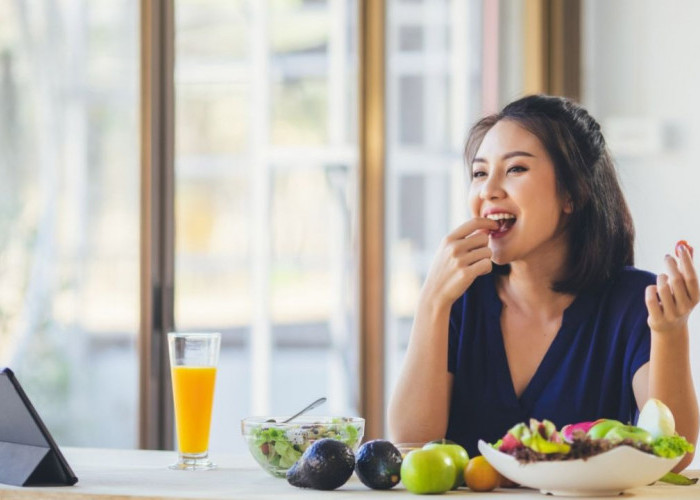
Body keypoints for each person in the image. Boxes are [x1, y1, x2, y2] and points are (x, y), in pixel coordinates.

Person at [387, 94, 699, 471]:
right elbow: (410, 445)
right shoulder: (460, 298)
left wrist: (671, 332)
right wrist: (431, 302)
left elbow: (674, 457)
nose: (488, 190)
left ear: (572, 192)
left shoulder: (633, 302)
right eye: (480, 173)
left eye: (515, 169)